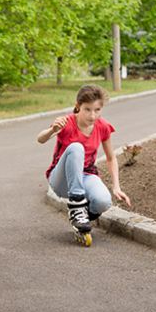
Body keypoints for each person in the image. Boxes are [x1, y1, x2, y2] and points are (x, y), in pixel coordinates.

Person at [36, 84, 131, 233]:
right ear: (78, 106)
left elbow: (111, 158)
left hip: (86, 175)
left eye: (97, 110)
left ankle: (80, 215)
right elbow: (40, 139)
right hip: (62, 180)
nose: (92, 116)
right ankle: (77, 203)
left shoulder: (103, 126)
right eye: (87, 109)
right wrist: (52, 130)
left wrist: (116, 186)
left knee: (103, 202)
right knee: (76, 147)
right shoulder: (66, 122)